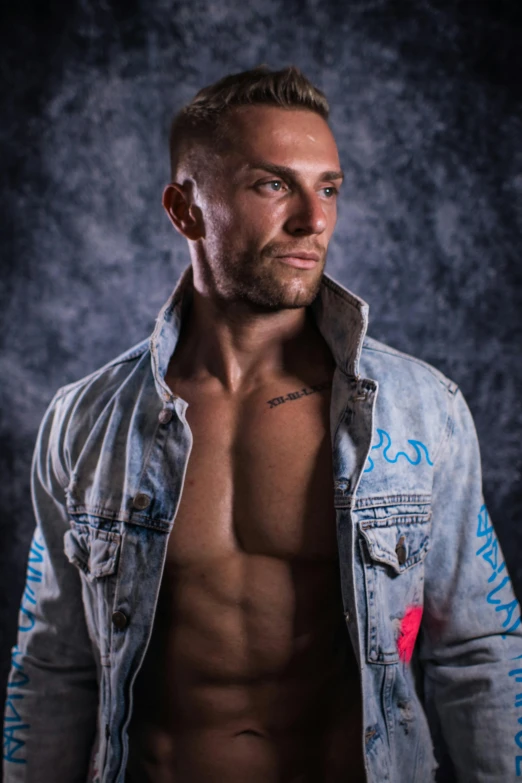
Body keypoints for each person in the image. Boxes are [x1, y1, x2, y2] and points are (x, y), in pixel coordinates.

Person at [3, 64, 521, 783]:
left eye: (329, 188)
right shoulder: (85, 422)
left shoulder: (423, 409)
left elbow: (476, 652)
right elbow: (54, 666)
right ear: (186, 210)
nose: (314, 219)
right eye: (273, 184)